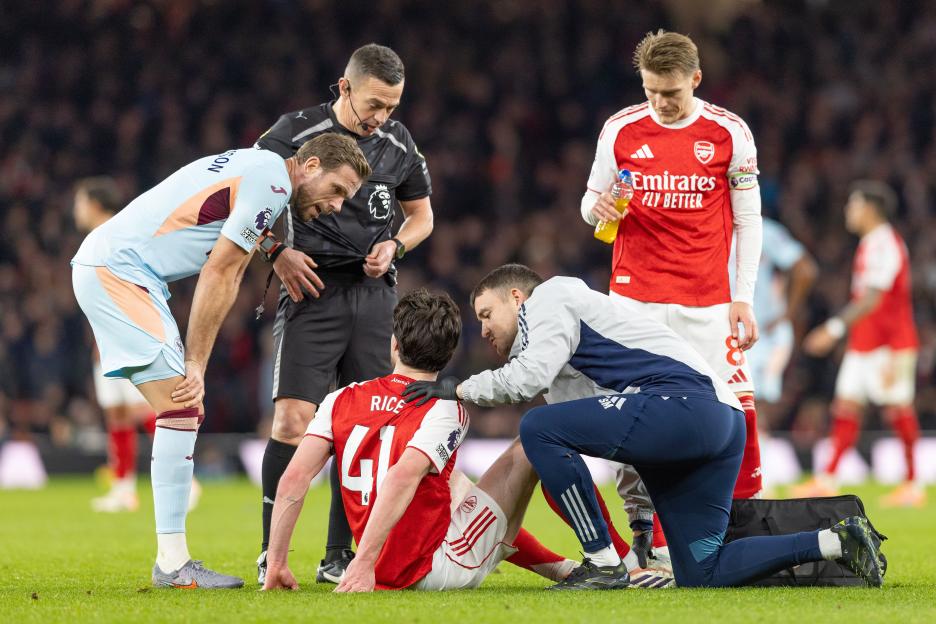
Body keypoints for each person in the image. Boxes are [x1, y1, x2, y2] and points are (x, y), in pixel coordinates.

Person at [403, 264, 884, 589]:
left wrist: (458, 389)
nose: (483, 329)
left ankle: (603, 564)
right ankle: (837, 540)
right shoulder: (566, 363)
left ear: (516, 295)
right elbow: (619, 438)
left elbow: (526, 382)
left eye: (486, 314)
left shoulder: (551, 297)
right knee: (702, 570)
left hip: (684, 405)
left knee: (538, 429)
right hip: (716, 423)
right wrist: (640, 522)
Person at [71, 133, 371, 588]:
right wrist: (197, 364)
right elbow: (222, 271)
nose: (337, 205)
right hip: (121, 272)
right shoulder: (273, 186)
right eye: (338, 190)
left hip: (118, 269)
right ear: (310, 167)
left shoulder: (261, 167)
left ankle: (173, 560)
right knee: (181, 404)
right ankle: (172, 565)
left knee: (180, 412)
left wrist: (274, 248)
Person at [579, 29, 764, 563]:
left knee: (738, 410)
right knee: (640, 417)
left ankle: (745, 524)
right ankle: (647, 532)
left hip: (707, 300)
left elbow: (749, 220)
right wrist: (601, 209)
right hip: (634, 299)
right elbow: (589, 202)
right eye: (652, 91)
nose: (661, 102)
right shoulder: (620, 128)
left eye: (672, 93)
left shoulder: (730, 132)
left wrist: (743, 297)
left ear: (696, 80)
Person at [254, 43, 434, 585]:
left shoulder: (398, 144)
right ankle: (271, 552)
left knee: (363, 429)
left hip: (374, 296)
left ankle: (338, 555)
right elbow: (239, 200)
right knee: (292, 420)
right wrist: (276, 253)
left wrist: (396, 248)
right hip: (310, 289)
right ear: (344, 87)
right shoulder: (291, 132)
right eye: (374, 105)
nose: (382, 118)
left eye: (393, 107)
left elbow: (422, 217)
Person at [263, 290, 578, 592]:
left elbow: (294, 478)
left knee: (453, 481)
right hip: (431, 568)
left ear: (395, 345)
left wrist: (276, 561)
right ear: (447, 356)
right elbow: (401, 477)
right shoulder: (444, 408)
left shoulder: (341, 398)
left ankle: (556, 565)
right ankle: (602, 554)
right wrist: (362, 563)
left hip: (379, 560)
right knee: (532, 440)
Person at [798, 181, 923, 508]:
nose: (847, 211)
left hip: (890, 344)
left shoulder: (885, 244)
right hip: (864, 343)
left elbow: (872, 298)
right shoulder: (870, 243)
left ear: (870, 208)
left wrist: (834, 329)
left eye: (852, 204)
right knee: (846, 406)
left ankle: (913, 483)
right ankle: (827, 479)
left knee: (897, 408)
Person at [73, 177, 159, 513]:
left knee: (150, 409)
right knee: (118, 414)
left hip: (127, 337)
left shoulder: (115, 236)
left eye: (80, 202)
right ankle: (124, 487)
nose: (75, 210)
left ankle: (186, 477)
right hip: (108, 339)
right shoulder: (98, 239)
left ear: (95, 204)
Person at [729, 216, 817, 427]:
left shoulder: (763, 230)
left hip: (762, 331)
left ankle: (756, 456)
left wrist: (787, 314)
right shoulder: (708, 228)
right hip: (726, 330)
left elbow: (805, 269)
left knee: (756, 403)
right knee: (734, 403)